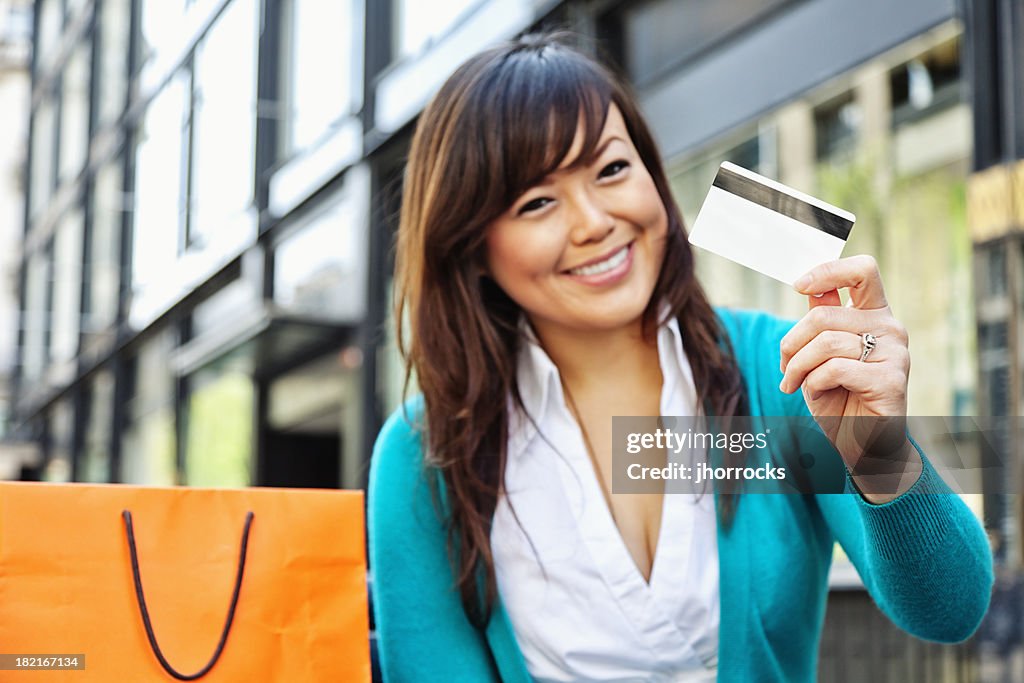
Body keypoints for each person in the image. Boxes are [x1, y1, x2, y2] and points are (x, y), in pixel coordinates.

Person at [368, 33, 993, 682]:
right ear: (472, 249)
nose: (594, 221)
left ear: (652, 176)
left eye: (611, 169)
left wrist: (878, 446)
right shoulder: (424, 454)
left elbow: (951, 609)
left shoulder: (781, 371)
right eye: (537, 202)